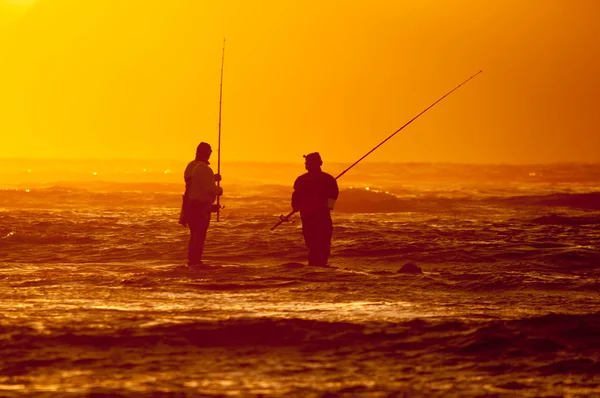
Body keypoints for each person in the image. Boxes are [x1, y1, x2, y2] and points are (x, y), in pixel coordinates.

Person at [291, 152, 339, 267]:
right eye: (306, 162)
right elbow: (296, 196)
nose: (306, 165)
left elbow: (333, 196)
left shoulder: (327, 179)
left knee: (321, 245)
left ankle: (317, 267)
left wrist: (324, 204)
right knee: (315, 245)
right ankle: (316, 267)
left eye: (308, 162)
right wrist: (296, 206)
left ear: (319, 163)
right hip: (310, 218)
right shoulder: (326, 179)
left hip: (320, 217)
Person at [179, 142, 223, 266]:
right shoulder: (205, 169)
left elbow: (196, 182)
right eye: (209, 151)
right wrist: (220, 190)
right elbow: (211, 189)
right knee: (200, 236)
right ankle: (196, 261)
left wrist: (212, 178)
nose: (210, 153)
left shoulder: (191, 166)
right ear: (206, 153)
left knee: (193, 235)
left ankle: (191, 261)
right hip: (201, 208)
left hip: (189, 206)